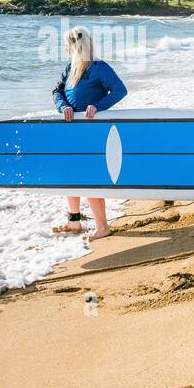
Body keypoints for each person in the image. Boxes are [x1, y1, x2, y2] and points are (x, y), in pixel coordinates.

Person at [52, 26, 127, 240]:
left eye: (67, 44)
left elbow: (120, 90)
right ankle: (74, 221)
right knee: (70, 175)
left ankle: (103, 227)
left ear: (75, 45)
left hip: (92, 132)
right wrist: (63, 107)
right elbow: (57, 91)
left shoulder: (99, 68)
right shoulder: (70, 68)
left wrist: (98, 106)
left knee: (88, 176)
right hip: (72, 131)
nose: (65, 47)